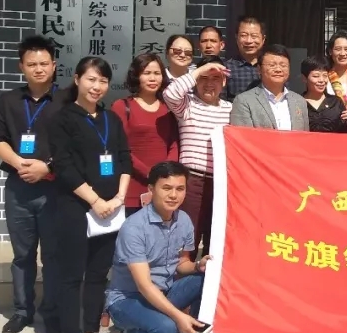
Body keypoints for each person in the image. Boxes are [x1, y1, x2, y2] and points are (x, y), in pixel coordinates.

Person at [48, 56, 131, 333]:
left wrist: (118, 198)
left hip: (111, 209)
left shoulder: (111, 119)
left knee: (98, 273)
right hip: (76, 207)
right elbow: (64, 167)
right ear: (77, 80)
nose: (97, 87)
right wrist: (95, 201)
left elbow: (124, 158)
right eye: (91, 79)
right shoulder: (62, 119)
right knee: (72, 273)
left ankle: (91, 332)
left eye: (103, 81)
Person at [0, 35, 67, 333]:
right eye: (31, 64)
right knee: (22, 254)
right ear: (21, 66)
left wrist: (47, 167)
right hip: (18, 187)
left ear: (54, 65)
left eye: (44, 63)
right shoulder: (8, 101)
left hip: (54, 188)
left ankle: (53, 311)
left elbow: (75, 142)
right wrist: (20, 163)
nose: (38, 69)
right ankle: (22, 311)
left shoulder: (67, 100)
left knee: (54, 255)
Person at [105, 161, 211, 333]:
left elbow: (182, 263)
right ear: (151, 189)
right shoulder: (134, 228)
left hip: (164, 292)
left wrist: (199, 265)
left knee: (209, 277)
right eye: (167, 188)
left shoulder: (183, 220)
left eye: (180, 189)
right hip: (128, 300)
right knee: (166, 329)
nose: (173, 195)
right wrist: (179, 316)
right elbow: (144, 286)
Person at [164, 57, 232, 255]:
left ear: (224, 82)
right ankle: (181, 275)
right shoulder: (187, 105)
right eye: (204, 78)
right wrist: (198, 71)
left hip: (221, 184)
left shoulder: (232, 109)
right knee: (186, 240)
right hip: (191, 181)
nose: (209, 83)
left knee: (216, 242)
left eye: (215, 78)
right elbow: (170, 93)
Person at [110, 53, 179, 215]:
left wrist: (165, 173)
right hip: (131, 187)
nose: (152, 78)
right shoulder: (122, 106)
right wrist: (150, 173)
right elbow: (119, 147)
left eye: (157, 73)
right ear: (136, 76)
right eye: (146, 73)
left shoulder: (169, 108)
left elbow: (174, 143)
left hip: (163, 187)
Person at [230, 44, 310, 130]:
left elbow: (305, 135)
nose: (278, 69)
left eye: (283, 65)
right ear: (259, 69)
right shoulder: (244, 101)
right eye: (272, 65)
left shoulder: (300, 101)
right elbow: (242, 136)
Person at [224, 15, 266, 100]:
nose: (249, 41)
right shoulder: (226, 68)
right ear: (237, 38)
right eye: (244, 35)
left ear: (263, 39)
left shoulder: (271, 67)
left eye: (254, 36)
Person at [302, 56, 347, 133]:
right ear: (304, 78)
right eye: (316, 76)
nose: (321, 80)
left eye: (325, 76)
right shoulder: (298, 103)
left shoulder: (336, 102)